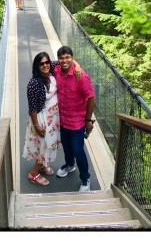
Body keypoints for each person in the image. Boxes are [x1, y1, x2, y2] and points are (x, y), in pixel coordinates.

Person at [53, 45, 95, 192]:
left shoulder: (80, 76)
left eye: (68, 57)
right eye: (61, 58)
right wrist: (75, 63)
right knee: (66, 145)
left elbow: (91, 98)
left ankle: (85, 178)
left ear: (72, 58)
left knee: (78, 150)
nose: (64, 60)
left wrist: (88, 120)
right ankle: (70, 165)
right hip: (63, 118)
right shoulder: (56, 69)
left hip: (77, 120)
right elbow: (43, 64)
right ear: (58, 60)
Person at [22, 52, 61, 186]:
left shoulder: (52, 71)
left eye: (46, 62)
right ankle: (33, 174)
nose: (45, 65)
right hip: (42, 119)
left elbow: (65, 59)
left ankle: (43, 165)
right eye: (41, 64)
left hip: (53, 117)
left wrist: (77, 66)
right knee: (44, 146)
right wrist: (37, 125)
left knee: (48, 144)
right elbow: (32, 108)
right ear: (37, 66)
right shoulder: (33, 84)